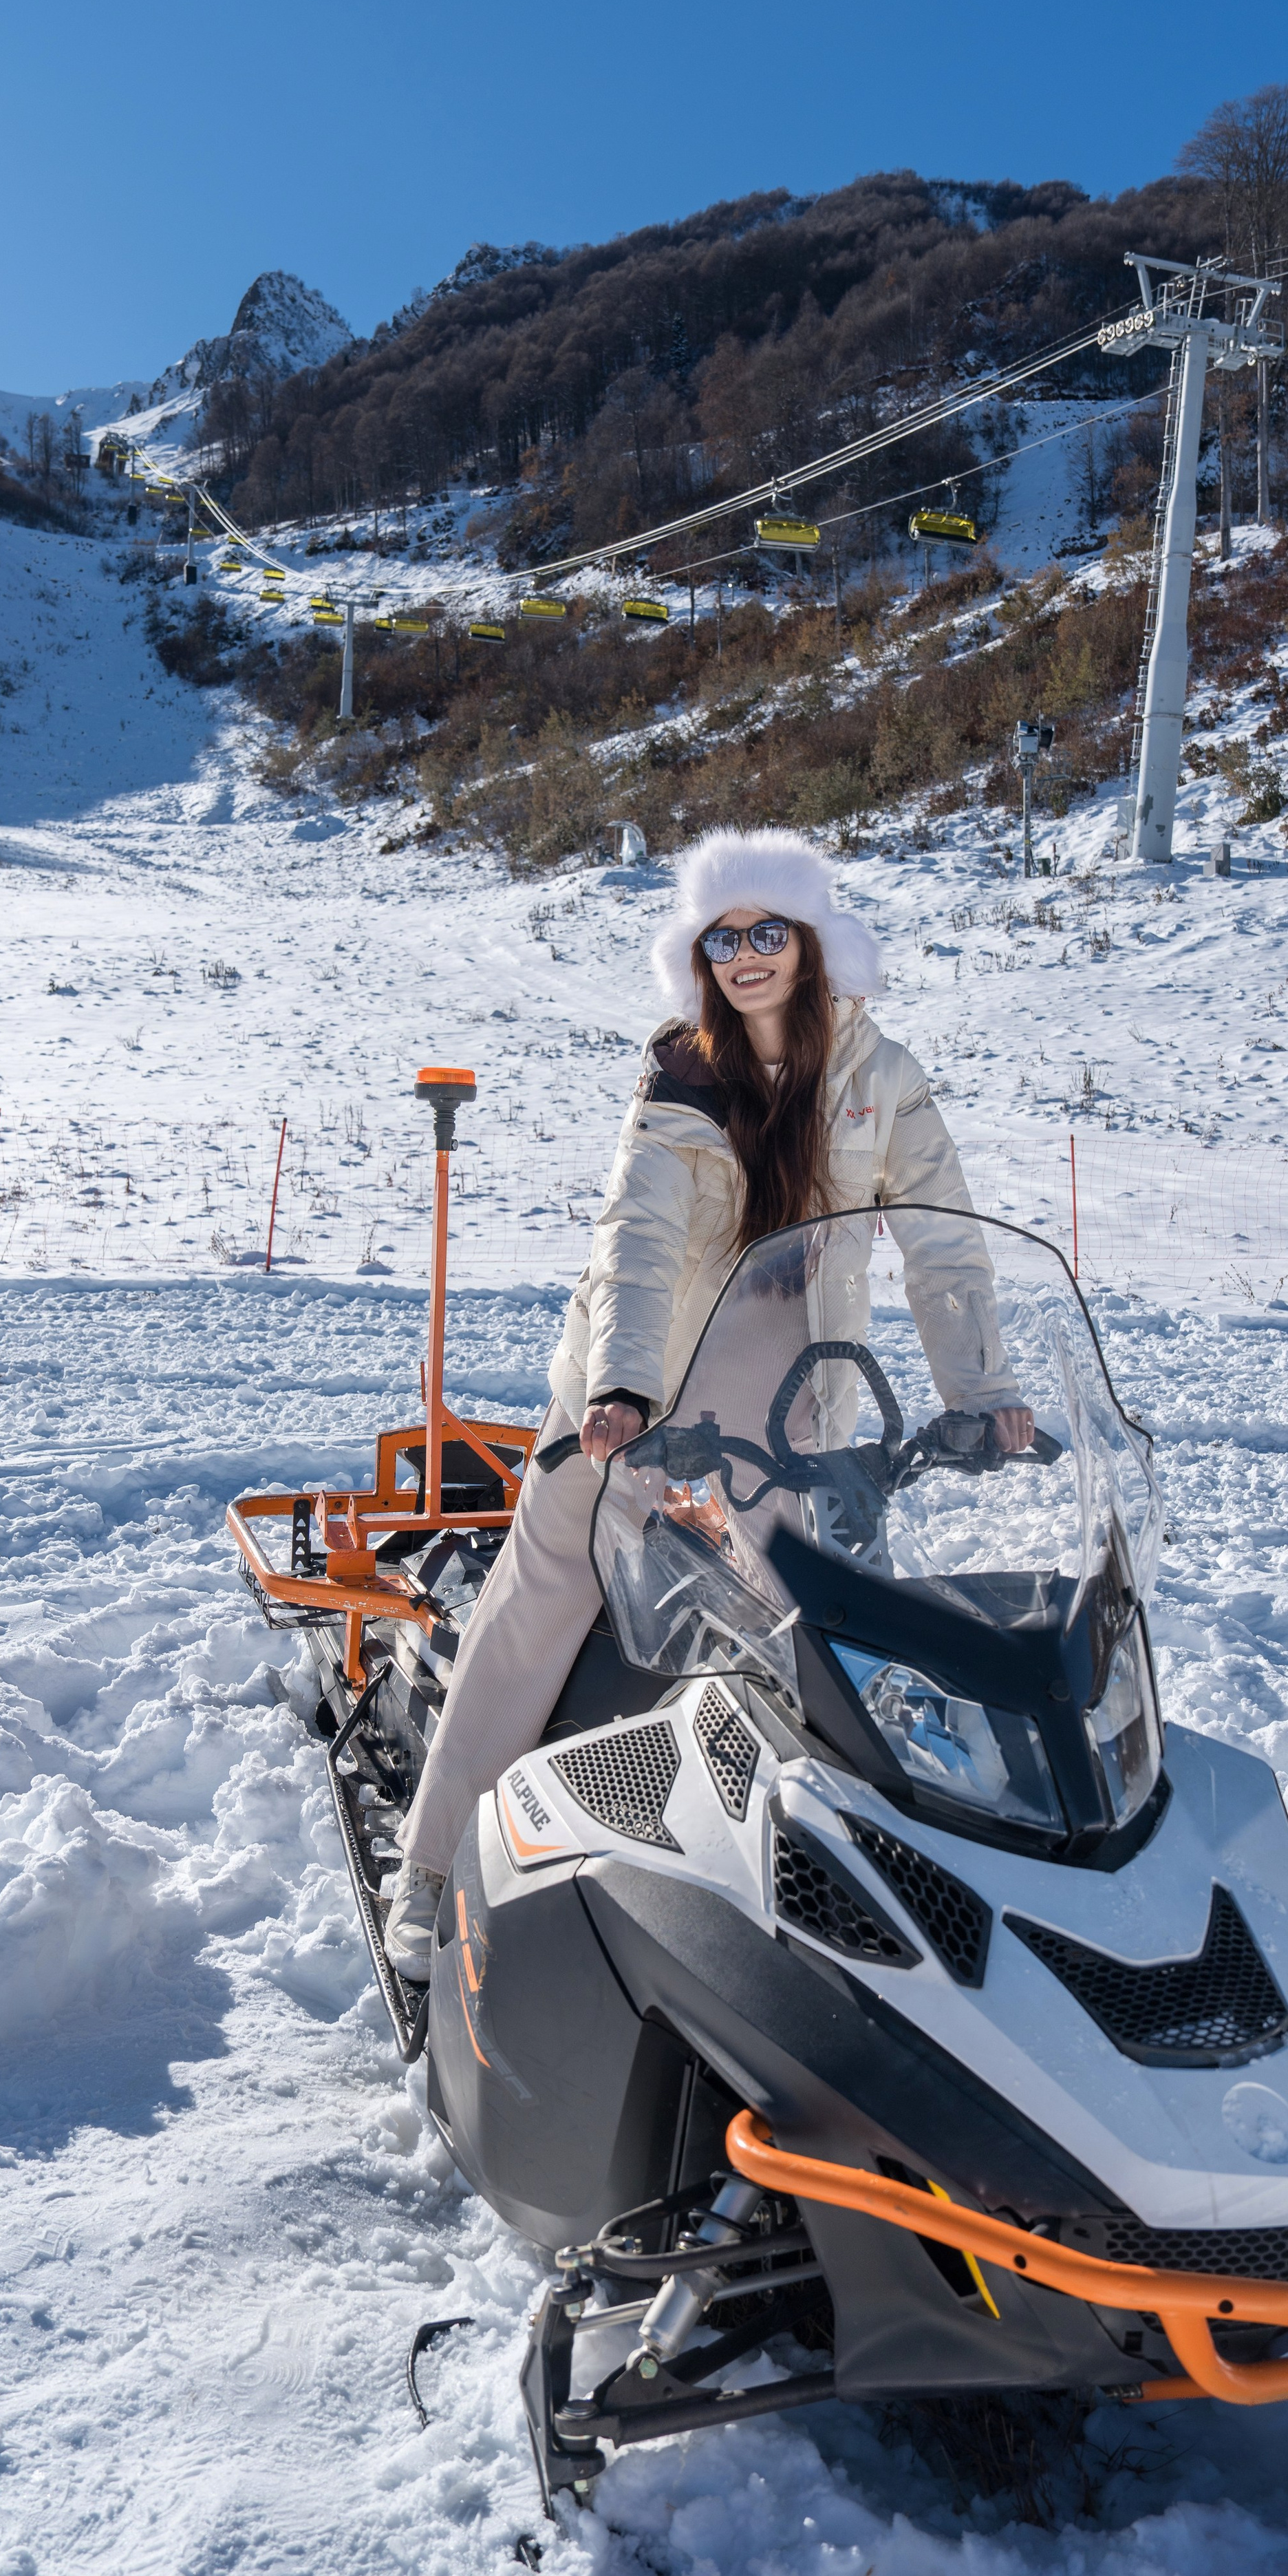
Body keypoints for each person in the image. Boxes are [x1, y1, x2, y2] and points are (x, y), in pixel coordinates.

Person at [384, 828, 1033, 1977]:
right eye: (722, 938)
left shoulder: (880, 1077)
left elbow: (942, 1242)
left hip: (797, 1407)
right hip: (640, 1390)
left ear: (812, 944)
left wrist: (980, 1393)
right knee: (547, 1590)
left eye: (766, 932)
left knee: (801, 1641)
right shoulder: (682, 1070)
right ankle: (435, 1874)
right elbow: (634, 1237)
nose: (745, 956)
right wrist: (620, 1386)